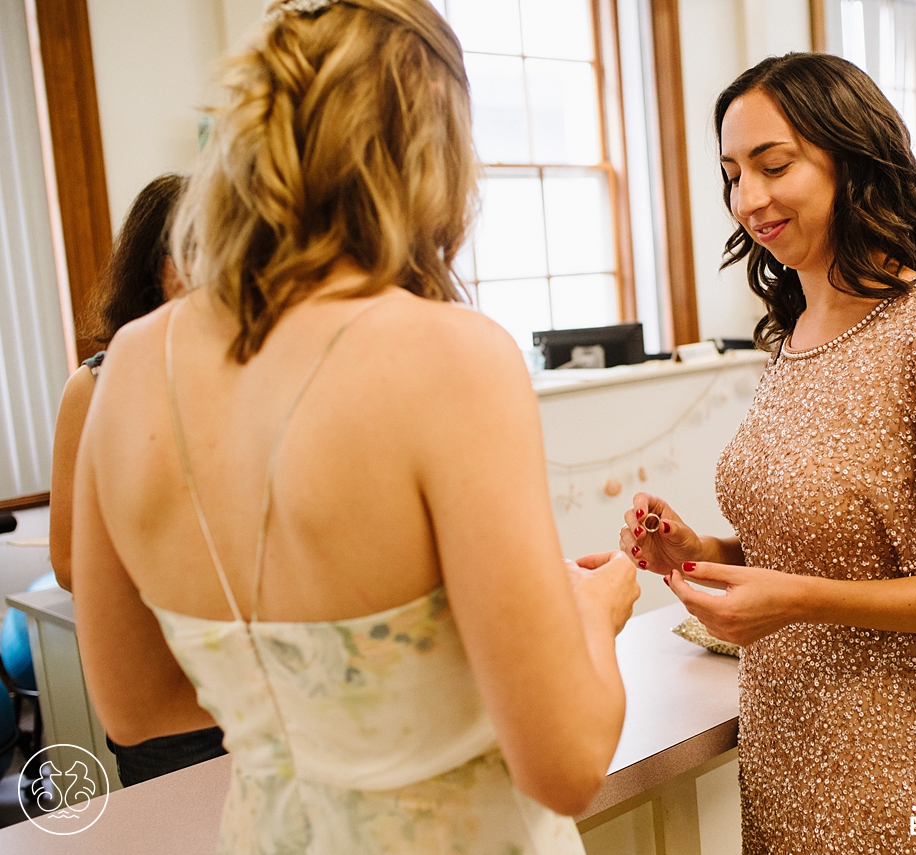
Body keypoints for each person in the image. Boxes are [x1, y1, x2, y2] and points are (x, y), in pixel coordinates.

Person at [72, 1, 638, 851]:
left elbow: (133, 703)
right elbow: (566, 763)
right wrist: (593, 606)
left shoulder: (126, 370)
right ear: (431, 154)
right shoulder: (449, 355)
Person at [623, 53, 916, 854]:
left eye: (772, 165)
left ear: (850, 159)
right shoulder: (798, 330)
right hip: (782, 737)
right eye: (731, 174)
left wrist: (799, 601)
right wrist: (702, 552)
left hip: (881, 746)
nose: (748, 199)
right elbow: (826, 548)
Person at [47, 174, 230, 787]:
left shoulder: (260, 372)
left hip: (277, 691)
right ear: (163, 270)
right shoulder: (98, 384)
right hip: (170, 707)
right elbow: (72, 564)